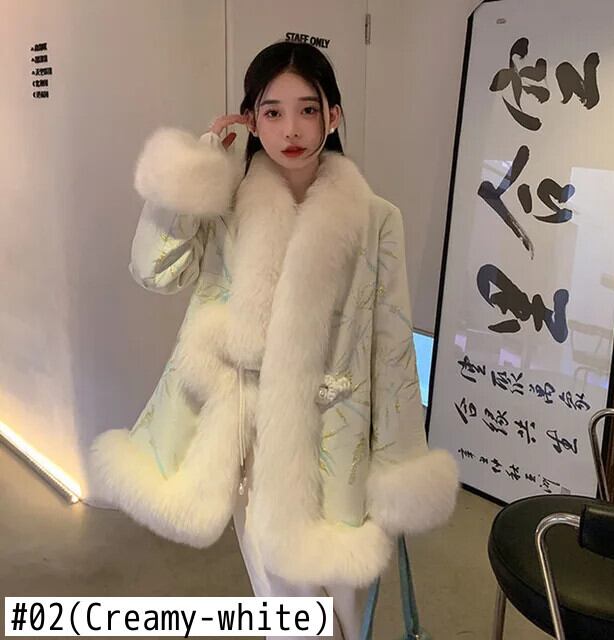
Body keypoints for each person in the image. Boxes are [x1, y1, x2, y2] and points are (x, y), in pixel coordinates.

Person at [90, 41, 459, 639]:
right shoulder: (227, 206)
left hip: (338, 443)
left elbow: (392, 349)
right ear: (251, 119)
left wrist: (398, 463)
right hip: (251, 442)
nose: (291, 128)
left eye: (308, 110)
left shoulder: (376, 219)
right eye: (272, 111)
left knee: (346, 610)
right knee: (285, 610)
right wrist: (198, 170)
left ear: (333, 116)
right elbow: (155, 270)